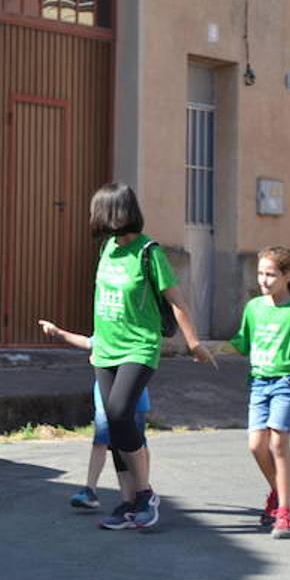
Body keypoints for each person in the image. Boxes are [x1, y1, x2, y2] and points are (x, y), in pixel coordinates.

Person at [78, 182, 215, 531]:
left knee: (122, 411)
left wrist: (193, 342)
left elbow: (176, 301)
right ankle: (127, 502)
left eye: (98, 209)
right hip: (106, 348)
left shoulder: (149, 252)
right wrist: (95, 344)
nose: (93, 216)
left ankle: (145, 493)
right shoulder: (107, 249)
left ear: (114, 213)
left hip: (139, 346)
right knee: (112, 423)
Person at [227, 245, 290, 539]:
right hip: (259, 382)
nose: (264, 280)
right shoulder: (254, 308)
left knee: (277, 444)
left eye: (270, 274)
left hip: (288, 381)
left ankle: (284, 512)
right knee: (255, 445)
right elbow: (242, 341)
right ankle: (280, 487)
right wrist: (211, 348)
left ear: (288, 276)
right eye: (260, 273)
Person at [36, 320, 150, 512]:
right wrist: (58, 332)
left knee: (135, 445)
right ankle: (93, 490)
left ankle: (142, 490)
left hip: (132, 399)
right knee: (103, 442)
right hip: (104, 399)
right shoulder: (106, 330)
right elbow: (88, 342)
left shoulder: (132, 337)